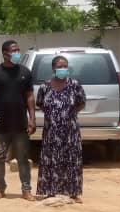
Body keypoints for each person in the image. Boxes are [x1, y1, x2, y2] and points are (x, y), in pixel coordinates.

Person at [0, 40, 35, 201]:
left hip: (20, 124)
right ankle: (0, 189)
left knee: (22, 158)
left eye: (18, 50)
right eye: (14, 50)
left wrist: (32, 118)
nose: (17, 53)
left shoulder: (25, 72)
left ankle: (26, 190)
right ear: (5, 53)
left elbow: (30, 96)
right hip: (1, 125)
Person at [36, 55, 87, 202]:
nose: (63, 69)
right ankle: (50, 191)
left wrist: (69, 114)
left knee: (72, 160)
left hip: (70, 131)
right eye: (59, 67)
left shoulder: (75, 85)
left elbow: (82, 102)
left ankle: (73, 192)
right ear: (53, 68)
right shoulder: (45, 87)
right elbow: (40, 103)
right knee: (51, 160)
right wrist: (53, 115)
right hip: (51, 131)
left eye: (65, 66)